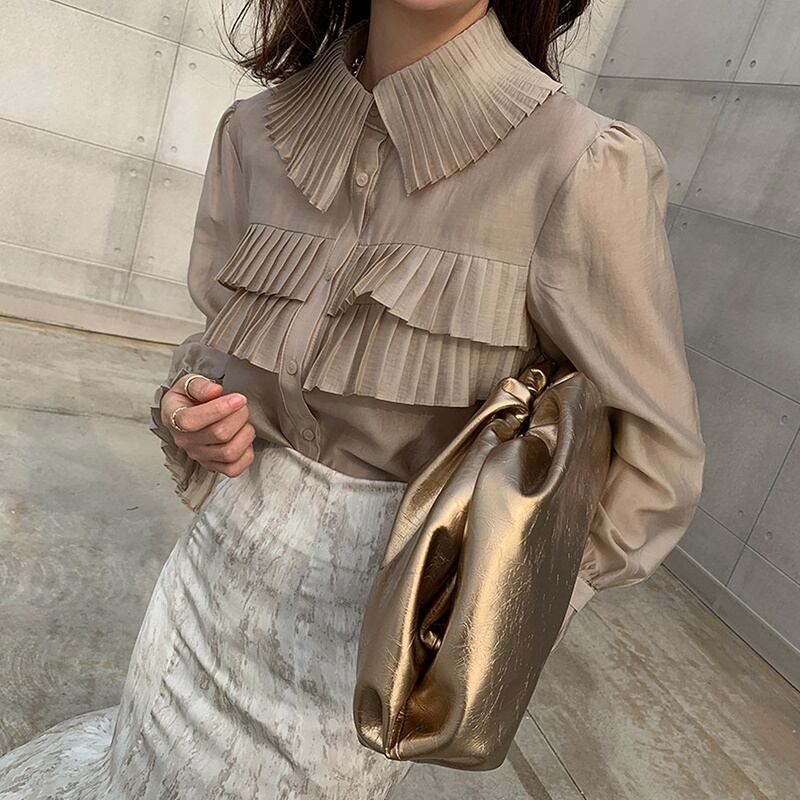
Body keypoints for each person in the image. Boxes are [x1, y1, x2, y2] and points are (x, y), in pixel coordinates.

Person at [0, 0, 706, 797]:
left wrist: (499, 609)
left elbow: (656, 462)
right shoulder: (254, 133)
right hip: (207, 581)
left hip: (372, 638)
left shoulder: (579, 164)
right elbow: (217, 342)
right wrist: (187, 412)